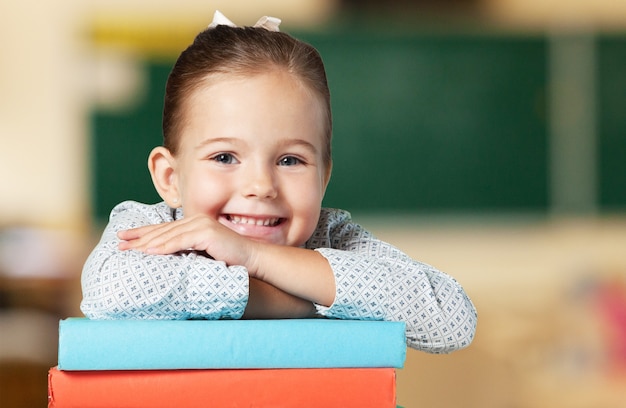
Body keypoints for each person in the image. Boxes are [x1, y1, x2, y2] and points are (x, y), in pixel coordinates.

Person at [81, 11, 477, 353]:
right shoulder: (152, 228)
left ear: (323, 178)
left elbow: (452, 319)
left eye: (290, 160)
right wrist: (296, 299)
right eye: (224, 157)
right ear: (170, 178)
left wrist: (255, 257)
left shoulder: (330, 237)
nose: (261, 186)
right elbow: (109, 292)